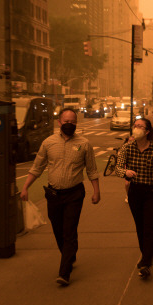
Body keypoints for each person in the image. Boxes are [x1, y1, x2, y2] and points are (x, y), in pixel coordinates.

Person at [20, 108, 101, 286]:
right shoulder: (48, 143)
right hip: (54, 195)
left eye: (73, 122)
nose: (69, 125)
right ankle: (69, 253)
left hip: (75, 194)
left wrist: (96, 191)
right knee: (58, 230)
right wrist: (25, 187)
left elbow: (92, 170)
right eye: (66, 122)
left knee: (69, 230)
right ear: (59, 122)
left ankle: (64, 273)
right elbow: (37, 167)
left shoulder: (84, 144)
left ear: (76, 123)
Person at [115, 118, 153, 279]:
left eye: (140, 126)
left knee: (148, 227)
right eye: (135, 126)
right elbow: (117, 168)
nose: (136, 128)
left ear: (147, 131)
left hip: (151, 192)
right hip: (135, 192)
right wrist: (126, 173)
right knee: (140, 226)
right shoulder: (127, 148)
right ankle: (146, 256)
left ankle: (145, 262)